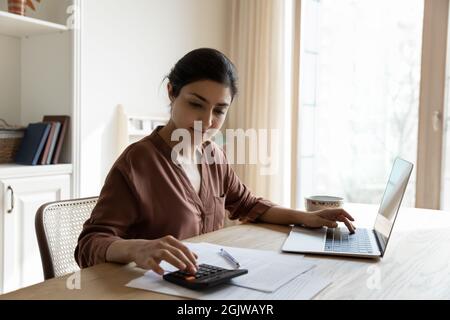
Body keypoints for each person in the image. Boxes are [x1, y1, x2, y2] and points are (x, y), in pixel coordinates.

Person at [75, 48, 355, 275]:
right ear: (172, 92)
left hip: (205, 285)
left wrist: (306, 218)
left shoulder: (213, 155)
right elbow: (89, 245)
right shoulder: (137, 163)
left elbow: (248, 204)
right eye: (196, 104)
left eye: (219, 110)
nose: (207, 122)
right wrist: (136, 249)